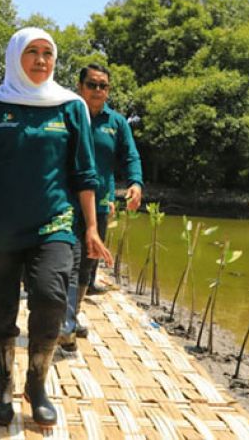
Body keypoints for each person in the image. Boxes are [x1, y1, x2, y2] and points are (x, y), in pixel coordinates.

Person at [0, 28, 112, 427]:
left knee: (50, 299)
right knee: (0, 312)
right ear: (14, 57)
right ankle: (3, 386)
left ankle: (37, 384)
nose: (41, 60)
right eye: (32, 52)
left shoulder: (71, 106)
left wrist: (91, 229)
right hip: (0, 228)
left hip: (55, 223)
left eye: (48, 53)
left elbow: (84, 174)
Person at [58, 64, 143, 352]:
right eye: (92, 85)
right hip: (66, 200)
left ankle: (72, 314)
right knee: (68, 257)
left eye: (103, 86)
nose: (98, 91)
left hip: (101, 201)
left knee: (88, 262)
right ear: (80, 86)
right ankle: (64, 321)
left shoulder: (116, 122)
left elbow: (131, 155)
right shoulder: (66, 114)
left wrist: (136, 183)